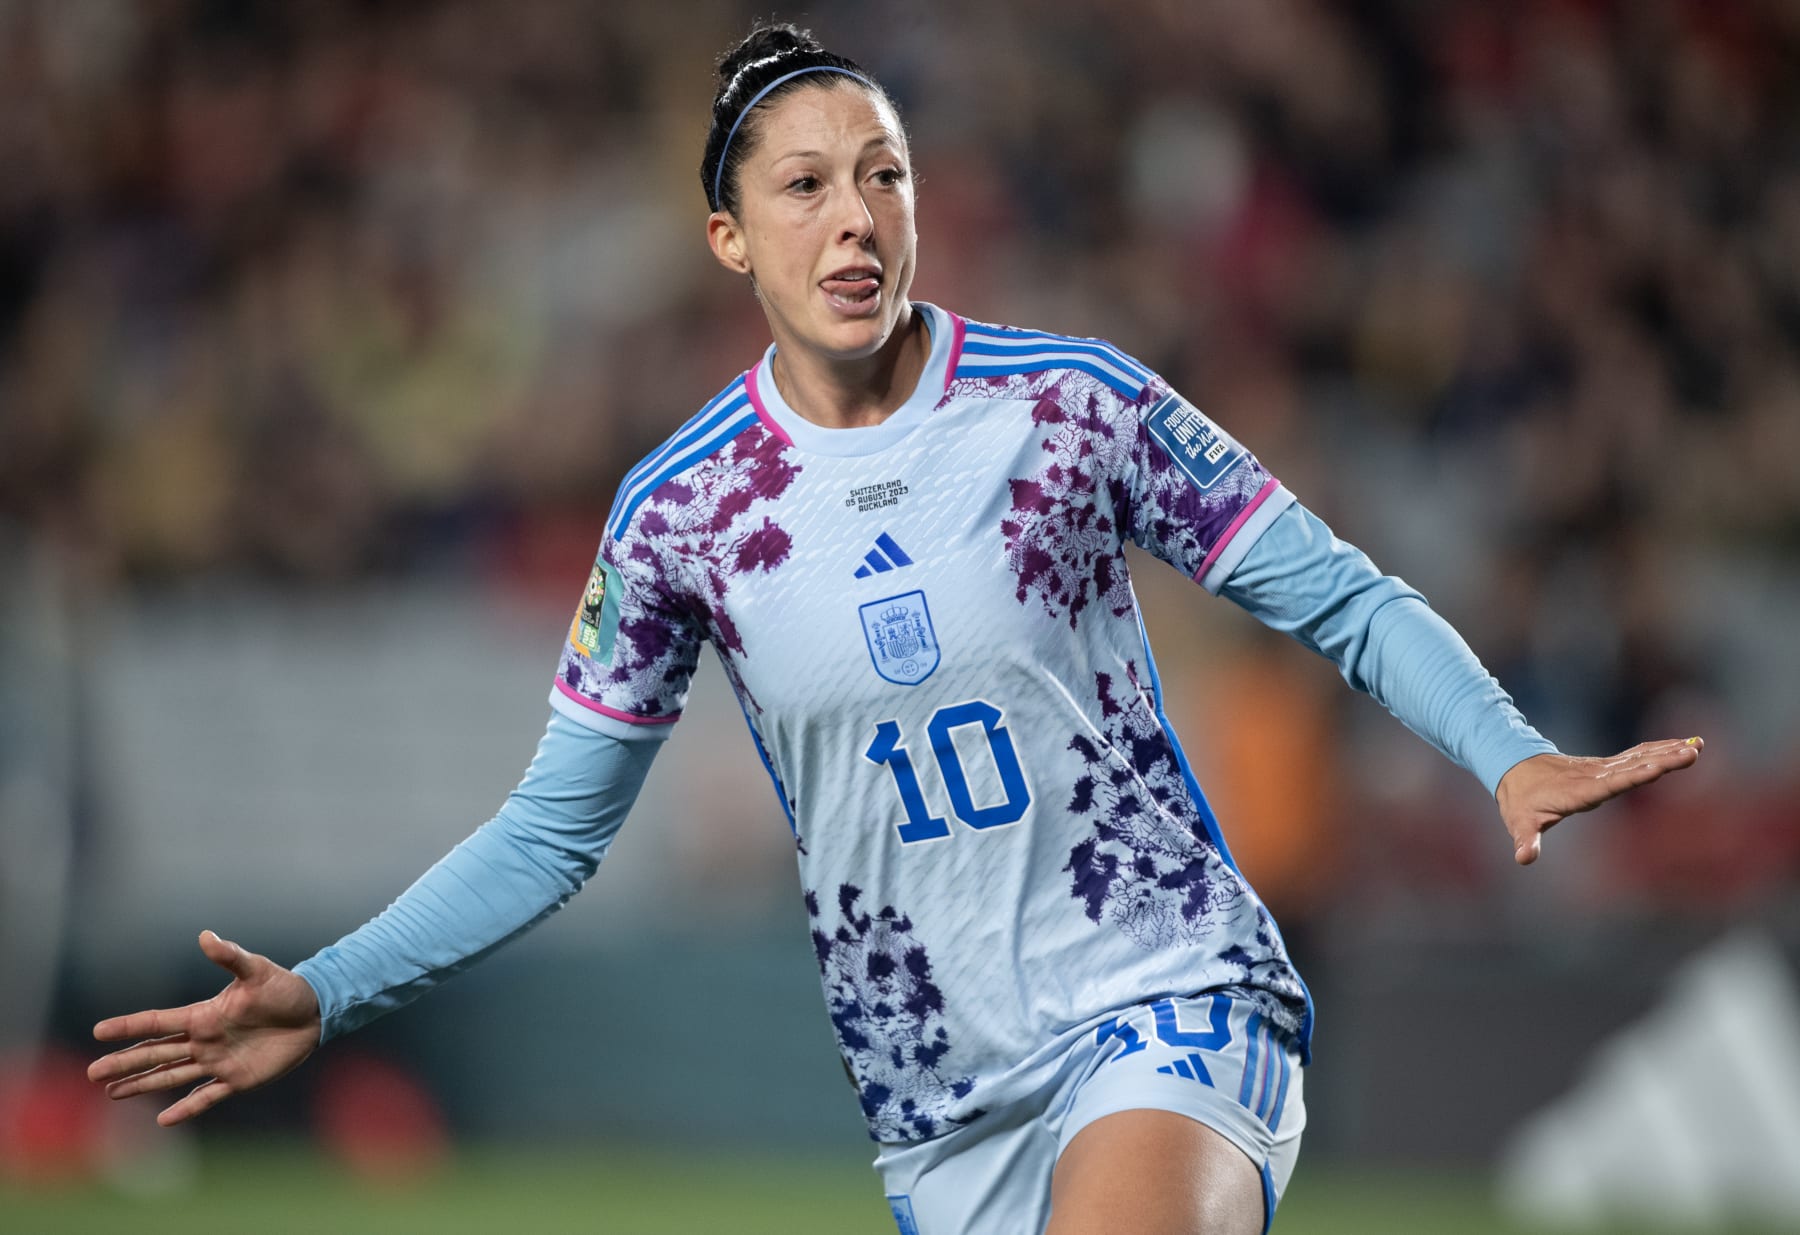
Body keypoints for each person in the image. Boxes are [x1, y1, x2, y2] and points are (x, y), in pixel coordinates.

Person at [88, 24, 1704, 1235]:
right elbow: (548, 837)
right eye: (805, 186)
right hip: (941, 1107)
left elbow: (1336, 591)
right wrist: (333, 989)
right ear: (733, 239)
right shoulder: (681, 516)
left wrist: (1507, 751)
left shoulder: (1069, 406)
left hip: (1163, 998)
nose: (856, 217)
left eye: (885, 176)